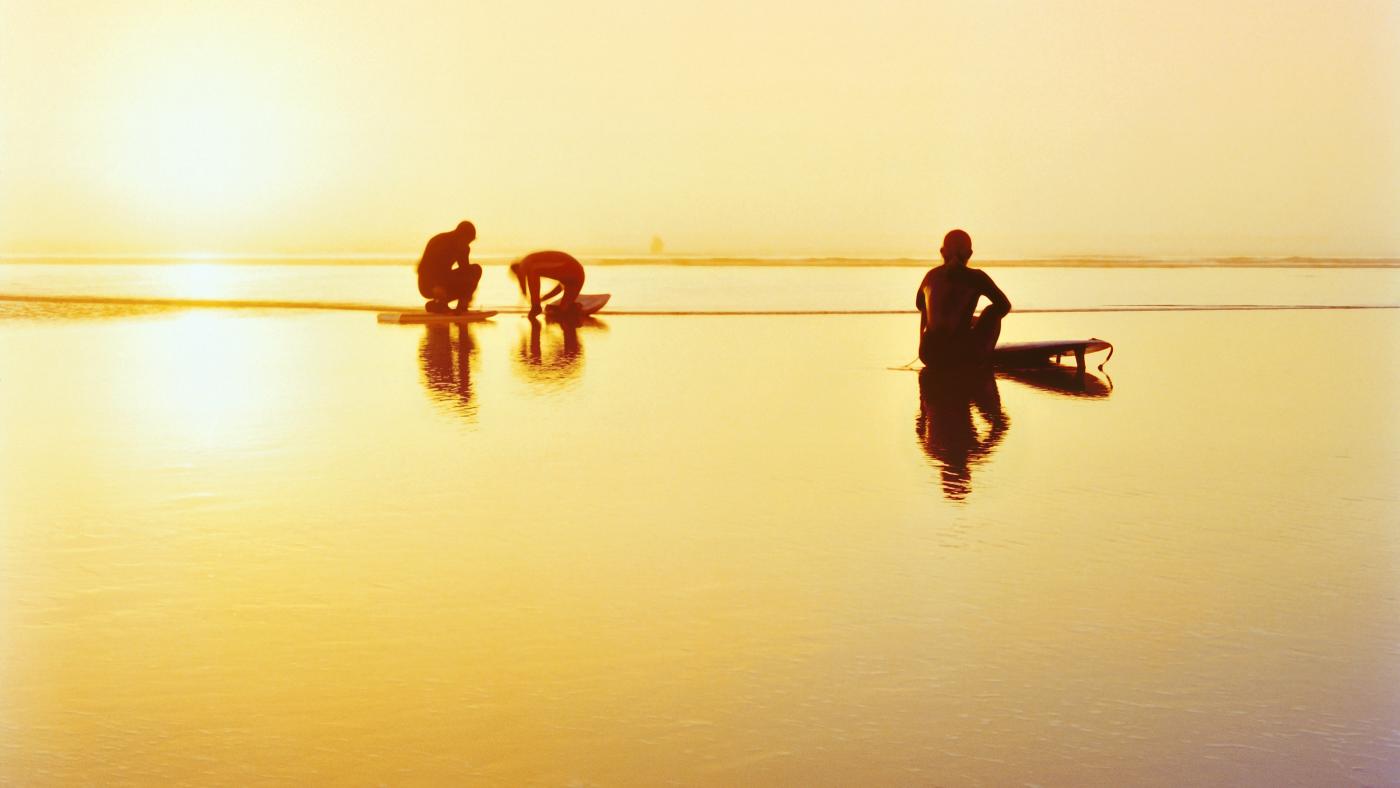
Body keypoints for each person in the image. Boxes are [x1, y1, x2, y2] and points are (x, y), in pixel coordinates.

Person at [915, 229, 1011, 367]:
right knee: (992, 310)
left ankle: (929, 348)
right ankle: (983, 357)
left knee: (925, 307)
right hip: (961, 355)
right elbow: (1004, 306)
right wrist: (977, 321)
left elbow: (920, 305)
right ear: (969, 253)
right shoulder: (977, 277)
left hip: (928, 355)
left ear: (942, 251)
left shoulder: (930, 276)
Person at [417, 221, 482, 315]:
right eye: (468, 240)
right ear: (461, 235)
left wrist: (470, 292)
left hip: (444, 280)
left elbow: (465, 272)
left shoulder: (463, 248)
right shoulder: (441, 242)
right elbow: (423, 269)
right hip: (427, 283)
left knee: (475, 270)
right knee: (442, 282)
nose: (468, 243)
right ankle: (441, 303)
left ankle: (447, 306)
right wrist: (435, 287)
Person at [510, 251, 585, 319]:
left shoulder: (525, 262)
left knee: (534, 271)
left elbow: (522, 279)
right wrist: (544, 298)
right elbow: (561, 286)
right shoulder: (561, 273)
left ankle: (536, 306)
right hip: (578, 275)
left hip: (571, 266)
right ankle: (572, 308)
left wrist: (525, 294)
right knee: (562, 311)